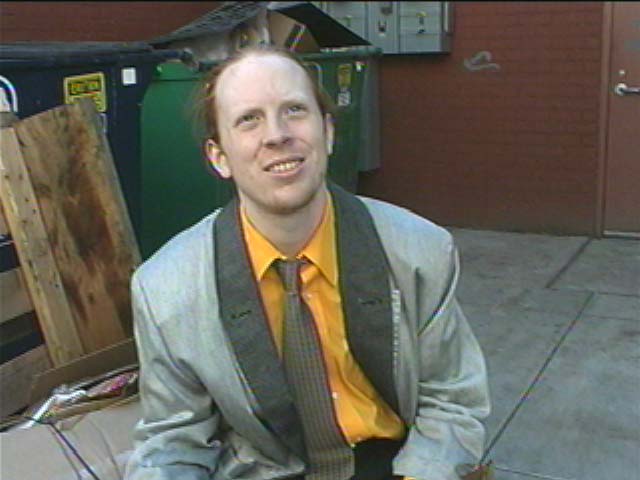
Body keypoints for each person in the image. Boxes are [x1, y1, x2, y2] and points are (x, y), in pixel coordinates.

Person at [125, 44, 490, 480]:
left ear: (328, 132)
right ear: (219, 157)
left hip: (396, 463)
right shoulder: (164, 290)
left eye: (294, 110)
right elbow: (173, 444)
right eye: (249, 119)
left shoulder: (420, 251)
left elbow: (452, 401)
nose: (276, 135)